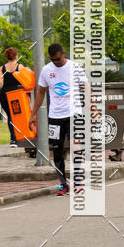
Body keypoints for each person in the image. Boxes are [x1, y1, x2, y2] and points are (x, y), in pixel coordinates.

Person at [30, 43, 81, 195]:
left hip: (74, 114)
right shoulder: (47, 70)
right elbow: (41, 93)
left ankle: (78, 181)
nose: (56, 62)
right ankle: (63, 184)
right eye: (53, 60)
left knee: (76, 147)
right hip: (55, 117)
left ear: (63, 53)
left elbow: (86, 87)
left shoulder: (74, 67)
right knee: (57, 151)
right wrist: (33, 114)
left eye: (58, 59)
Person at [0, 47, 32, 146]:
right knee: (19, 116)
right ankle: (20, 137)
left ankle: (13, 139)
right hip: (17, 95)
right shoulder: (20, 67)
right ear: (16, 56)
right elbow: (26, 81)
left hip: (5, 95)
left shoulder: (2, 68)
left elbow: (0, 83)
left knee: (10, 116)